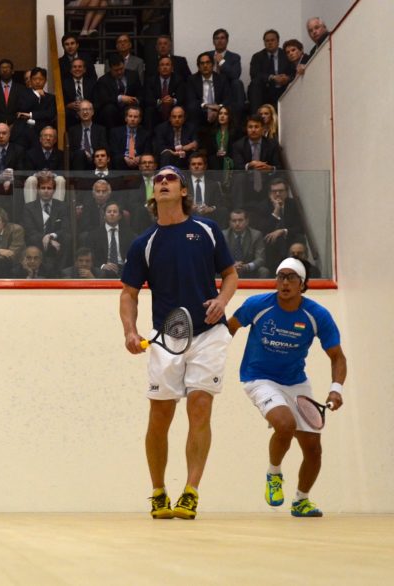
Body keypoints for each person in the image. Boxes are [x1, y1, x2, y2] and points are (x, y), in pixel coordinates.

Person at [120, 165, 238, 520]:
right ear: (152, 195)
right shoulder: (144, 243)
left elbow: (230, 275)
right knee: (160, 416)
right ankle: (158, 491)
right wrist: (129, 330)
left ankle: (191, 491)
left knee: (200, 407)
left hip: (208, 333)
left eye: (170, 179)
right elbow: (128, 294)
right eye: (158, 181)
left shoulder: (207, 230)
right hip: (164, 337)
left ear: (184, 191)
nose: (164, 183)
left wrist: (222, 301)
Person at [226, 257, 346, 517]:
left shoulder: (317, 316)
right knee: (285, 424)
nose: (285, 282)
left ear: (302, 285)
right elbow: (228, 330)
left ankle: (301, 501)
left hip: (296, 381)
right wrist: (209, 359)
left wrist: (336, 388)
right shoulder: (257, 305)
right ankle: (274, 473)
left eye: (292, 277)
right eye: (281, 276)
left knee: (313, 448)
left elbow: (337, 356)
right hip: (258, 377)